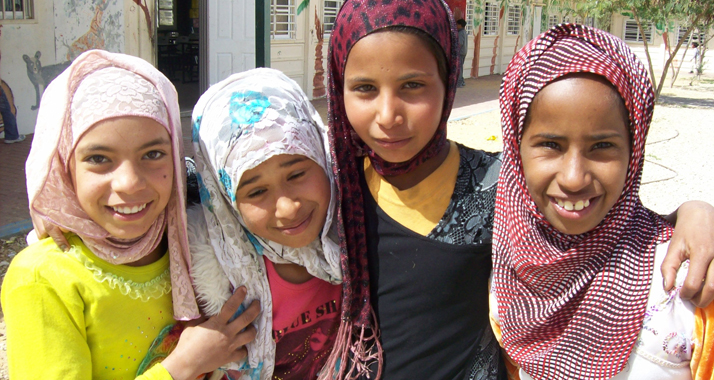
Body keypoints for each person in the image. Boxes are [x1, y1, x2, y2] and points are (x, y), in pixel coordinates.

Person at [326, 1, 714, 379]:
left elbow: (616, 223)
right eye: (364, 88)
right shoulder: (333, 194)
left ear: (449, 79)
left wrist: (693, 213)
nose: (388, 114)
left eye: (413, 85)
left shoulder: (501, 185)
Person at [1, 50, 260, 380]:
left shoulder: (191, 242)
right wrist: (181, 366)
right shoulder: (43, 279)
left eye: (153, 154)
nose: (129, 183)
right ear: (65, 167)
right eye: (98, 158)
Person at [492, 24, 714, 380]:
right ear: (516, 151)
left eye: (602, 147)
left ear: (634, 150)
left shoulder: (686, 281)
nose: (574, 177)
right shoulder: (503, 267)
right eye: (550, 144)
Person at [186, 68, 343, 380]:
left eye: (297, 174)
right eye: (256, 191)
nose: (287, 208)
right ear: (225, 198)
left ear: (322, 156)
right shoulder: (219, 275)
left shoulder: (360, 232)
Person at [457, 18, 468, 88]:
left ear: (460, 25)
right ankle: (461, 81)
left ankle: (460, 82)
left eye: (457, 24)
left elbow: (460, 43)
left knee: (459, 68)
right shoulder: (464, 32)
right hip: (463, 52)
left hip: (460, 52)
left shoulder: (460, 33)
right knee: (460, 67)